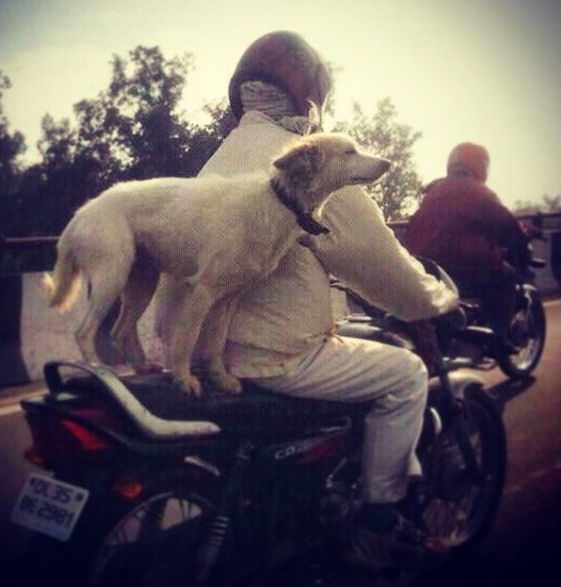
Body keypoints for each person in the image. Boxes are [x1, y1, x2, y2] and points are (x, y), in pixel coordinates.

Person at [145, 31, 459, 566]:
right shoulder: (306, 166)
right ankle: (377, 528)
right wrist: (436, 300)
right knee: (405, 374)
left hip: (188, 347)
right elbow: (381, 268)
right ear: (312, 98)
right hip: (268, 356)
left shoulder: (216, 161)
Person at [404, 142, 530, 350]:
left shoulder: (434, 190)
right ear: (481, 165)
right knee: (506, 276)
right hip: (460, 268)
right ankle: (499, 338)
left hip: (423, 267)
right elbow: (507, 226)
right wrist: (522, 240)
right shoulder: (478, 192)